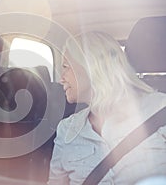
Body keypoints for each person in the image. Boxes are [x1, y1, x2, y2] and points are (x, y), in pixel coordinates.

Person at [48, 31, 166, 184]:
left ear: (92, 66)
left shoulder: (160, 109)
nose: (60, 78)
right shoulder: (66, 130)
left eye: (65, 67)